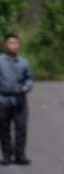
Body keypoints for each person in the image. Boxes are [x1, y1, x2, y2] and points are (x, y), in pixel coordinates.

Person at [0, 33, 33, 166]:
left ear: (19, 45)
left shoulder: (24, 62)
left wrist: (27, 86)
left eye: (15, 43)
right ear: (5, 45)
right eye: (10, 43)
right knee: (4, 129)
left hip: (20, 100)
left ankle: (20, 155)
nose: (13, 45)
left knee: (21, 128)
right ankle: (7, 156)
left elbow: (29, 78)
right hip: (3, 99)